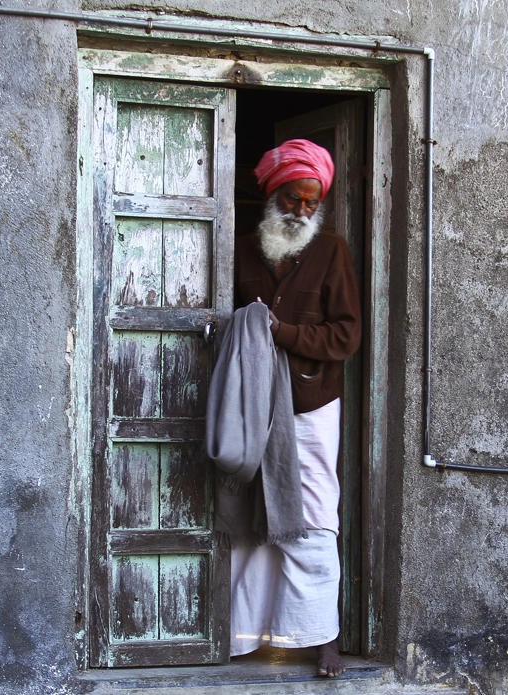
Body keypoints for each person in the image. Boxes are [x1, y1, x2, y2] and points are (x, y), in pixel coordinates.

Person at [229, 138, 361, 678]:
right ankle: (244, 633)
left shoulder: (332, 251)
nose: (301, 210)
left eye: (310, 201)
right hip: (252, 402)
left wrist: (283, 334)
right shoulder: (240, 247)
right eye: (291, 198)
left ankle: (319, 635)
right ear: (272, 193)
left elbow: (346, 335)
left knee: (310, 512)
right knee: (250, 512)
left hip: (309, 403)